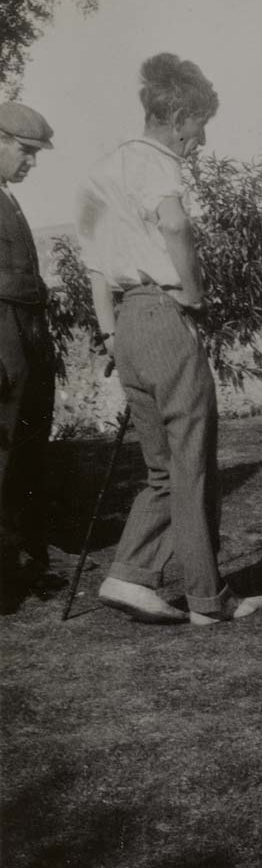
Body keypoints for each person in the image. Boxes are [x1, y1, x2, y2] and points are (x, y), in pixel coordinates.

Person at [76, 53, 262, 626]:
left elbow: (92, 264)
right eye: (200, 125)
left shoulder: (101, 170)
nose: (201, 140)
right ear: (179, 115)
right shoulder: (158, 161)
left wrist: (110, 332)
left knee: (163, 468)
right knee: (192, 462)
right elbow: (177, 225)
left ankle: (128, 576)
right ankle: (210, 601)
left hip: (126, 326)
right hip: (162, 312)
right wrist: (194, 291)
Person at [0, 101, 57, 610]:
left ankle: (21, 566)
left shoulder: (7, 198)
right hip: (3, 348)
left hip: (24, 340)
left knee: (23, 458)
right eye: (25, 151)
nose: (31, 163)